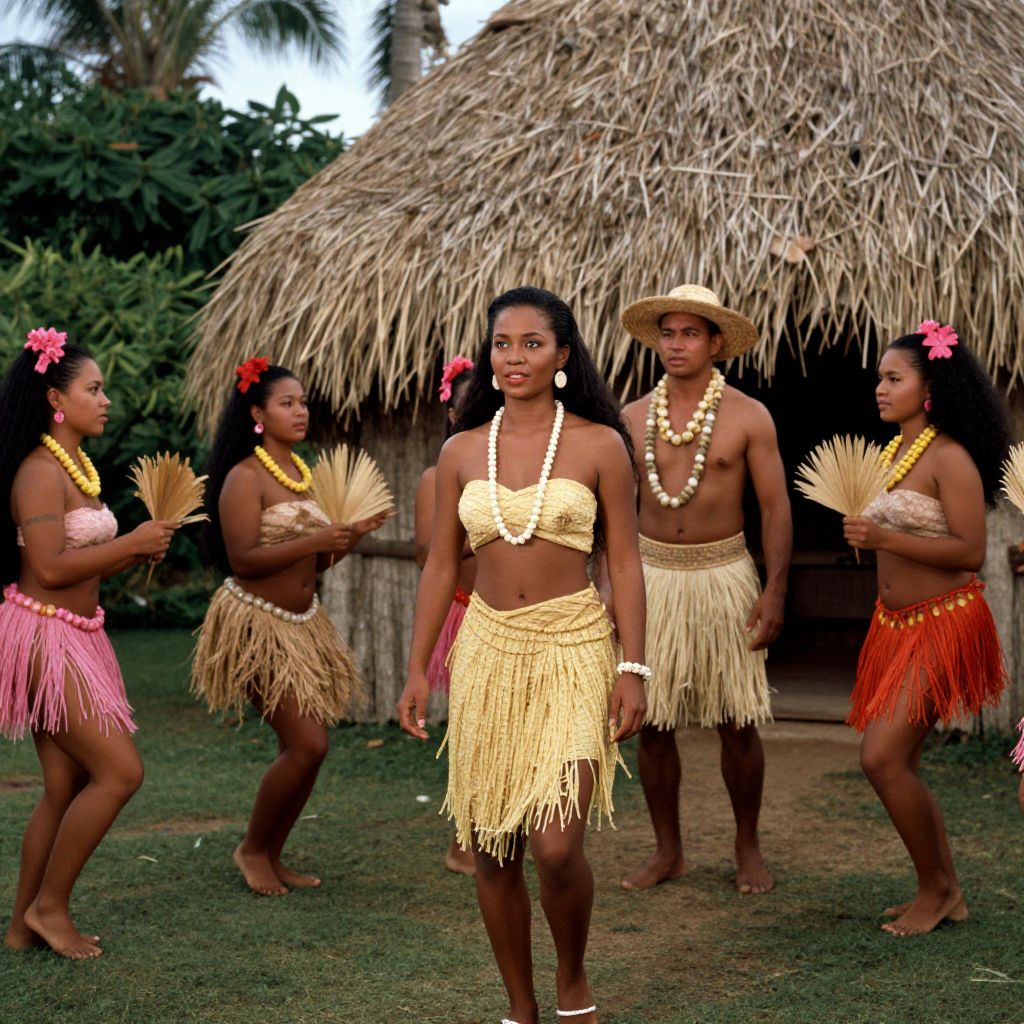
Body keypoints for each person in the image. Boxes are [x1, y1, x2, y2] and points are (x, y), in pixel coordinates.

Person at [397, 287, 647, 1024]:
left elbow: (625, 562)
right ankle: (521, 1004)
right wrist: (417, 669)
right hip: (487, 654)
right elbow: (441, 565)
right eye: (502, 343)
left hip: (573, 647)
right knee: (492, 846)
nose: (514, 357)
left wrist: (633, 666)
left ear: (563, 354)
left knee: (557, 847)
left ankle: (572, 979)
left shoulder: (601, 445)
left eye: (532, 343)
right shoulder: (461, 450)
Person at [1, 328, 177, 959]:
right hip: (44, 636)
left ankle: (22, 928)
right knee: (120, 772)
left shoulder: (76, 469)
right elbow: (49, 568)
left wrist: (134, 552)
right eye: (93, 389)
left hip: (76, 632)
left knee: (65, 784)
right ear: (56, 398)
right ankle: (49, 907)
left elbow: (83, 561)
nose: (106, 401)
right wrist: (129, 542)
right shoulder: (38, 472)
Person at [614, 285, 791, 895]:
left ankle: (747, 846)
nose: (676, 344)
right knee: (652, 720)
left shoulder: (748, 416)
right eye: (668, 333)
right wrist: (609, 585)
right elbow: (614, 511)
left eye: (690, 334)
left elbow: (775, 507)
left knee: (736, 719)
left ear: (716, 344)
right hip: (651, 576)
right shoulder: (633, 417)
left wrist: (775, 590)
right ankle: (668, 851)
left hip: (724, 576)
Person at [192, 358, 386, 896]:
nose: (300, 411)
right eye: (287, 403)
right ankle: (253, 849)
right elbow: (244, 559)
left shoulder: (303, 475)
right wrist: (318, 539)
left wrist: (353, 535)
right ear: (258, 414)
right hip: (256, 625)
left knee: (306, 749)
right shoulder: (244, 477)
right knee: (307, 745)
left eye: (302, 402)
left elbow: (317, 564)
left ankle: (271, 853)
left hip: (302, 623)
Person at [842, 321, 1009, 935]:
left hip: (943, 624)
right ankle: (943, 890)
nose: (881, 389)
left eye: (894, 378)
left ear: (931, 387)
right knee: (901, 761)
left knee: (881, 759)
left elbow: (970, 551)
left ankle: (937, 890)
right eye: (879, 379)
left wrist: (884, 537)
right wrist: (865, 538)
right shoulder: (891, 454)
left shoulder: (950, 457)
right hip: (893, 625)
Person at [413, 355, 477, 876]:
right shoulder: (437, 476)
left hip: (518, 616)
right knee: (472, 727)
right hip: (464, 615)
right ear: (451, 414)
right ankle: (463, 837)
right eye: (466, 406)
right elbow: (426, 554)